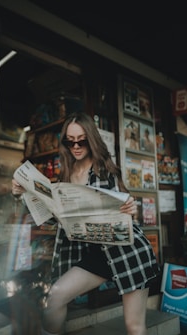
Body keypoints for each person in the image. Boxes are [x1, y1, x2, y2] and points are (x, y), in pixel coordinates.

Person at [12, 111, 160, 335]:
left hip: (127, 252)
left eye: (81, 140)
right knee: (55, 296)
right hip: (96, 253)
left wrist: (130, 209)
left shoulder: (105, 170)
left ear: (91, 138)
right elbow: (56, 218)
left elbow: (123, 205)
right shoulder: (67, 173)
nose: (76, 146)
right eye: (70, 141)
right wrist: (23, 194)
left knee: (134, 326)